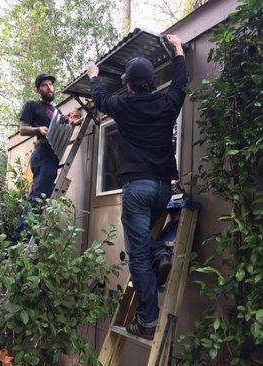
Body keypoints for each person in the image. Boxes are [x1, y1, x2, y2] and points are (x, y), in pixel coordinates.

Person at [87, 35, 189, 339]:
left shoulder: (123, 104)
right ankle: (160, 254)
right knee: (145, 244)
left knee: (137, 255)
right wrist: (179, 51)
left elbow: (101, 98)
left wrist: (94, 76)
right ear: (153, 81)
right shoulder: (167, 102)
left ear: (129, 84)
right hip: (163, 191)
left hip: (137, 189)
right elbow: (181, 82)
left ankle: (147, 320)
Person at [13, 73, 60, 242]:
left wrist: (68, 121)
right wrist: (38, 129)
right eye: (44, 85)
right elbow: (23, 130)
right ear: (38, 89)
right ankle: (21, 239)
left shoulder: (56, 111)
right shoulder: (33, 105)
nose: (49, 87)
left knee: (43, 197)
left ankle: (32, 235)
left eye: (51, 84)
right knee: (37, 196)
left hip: (54, 155)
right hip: (42, 153)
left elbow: (60, 128)